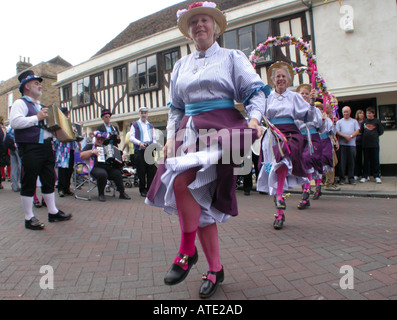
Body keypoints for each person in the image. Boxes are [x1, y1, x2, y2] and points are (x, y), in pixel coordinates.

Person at [145, 1, 269, 299]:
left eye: (204, 20)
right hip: (189, 131)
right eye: (194, 22)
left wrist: (253, 120)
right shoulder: (180, 65)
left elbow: (255, 92)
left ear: (215, 26)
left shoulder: (231, 57)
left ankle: (188, 251)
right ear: (188, 31)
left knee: (183, 183)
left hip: (222, 130)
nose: (199, 25)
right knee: (192, 197)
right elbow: (175, 107)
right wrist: (171, 137)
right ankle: (214, 268)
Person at [256, 62, 317, 229]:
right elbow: (259, 113)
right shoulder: (267, 98)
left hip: (290, 133)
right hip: (273, 134)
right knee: (275, 166)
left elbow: (307, 117)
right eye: (278, 76)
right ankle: (279, 213)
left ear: (288, 79)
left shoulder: (295, 97)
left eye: (284, 76)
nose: (281, 79)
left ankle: (279, 196)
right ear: (273, 80)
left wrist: (311, 104)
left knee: (283, 160)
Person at [9, 70, 72, 230]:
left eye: (39, 83)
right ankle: (29, 217)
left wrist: (64, 132)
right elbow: (15, 123)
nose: (39, 85)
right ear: (27, 86)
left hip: (45, 146)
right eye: (36, 83)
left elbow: (48, 127)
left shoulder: (41, 106)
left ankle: (53, 212)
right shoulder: (20, 103)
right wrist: (37, 117)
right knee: (29, 180)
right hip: (30, 147)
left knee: (49, 179)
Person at [80, 131, 131, 202]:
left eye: (102, 139)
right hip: (94, 167)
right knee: (102, 174)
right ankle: (101, 194)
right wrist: (92, 152)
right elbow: (81, 156)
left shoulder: (106, 147)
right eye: (98, 139)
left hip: (106, 167)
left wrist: (121, 157)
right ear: (95, 138)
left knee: (117, 173)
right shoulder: (90, 146)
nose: (100, 141)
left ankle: (122, 193)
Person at [295, 84, 322, 207]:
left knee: (308, 160)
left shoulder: (315, 109)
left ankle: (306, 190)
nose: (304, 95)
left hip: (312, 137)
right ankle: (305, 194)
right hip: (301, 138)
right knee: (302, 165)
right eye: (302, 93)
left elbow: (318, 124)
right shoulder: (295, 109)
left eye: (306, 93)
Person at [129, 107, 157, 197]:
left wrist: (154, 145)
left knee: (151, 171)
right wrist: (139, 143)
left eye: (145, 113)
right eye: (142, 113)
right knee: (141, 171)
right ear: (139, 114)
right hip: (140, 150)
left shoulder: (151, 125)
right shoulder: (135, 124)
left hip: (149, 149)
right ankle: (142, 190)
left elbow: (154, 138)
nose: (144, 114)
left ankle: (149, 189)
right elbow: (131, 137)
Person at [54, 107, 78, 197]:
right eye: (65, 113)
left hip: (70, 148)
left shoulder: (70, 124)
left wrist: (75, 133)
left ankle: (67, 188)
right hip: (62, 150)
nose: (67, 115)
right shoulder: (58, 125)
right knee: (62, 170)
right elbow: (57, 138)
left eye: (67, 113)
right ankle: (61, 189)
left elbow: (74, 137)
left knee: (69, 170)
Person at [335, 106, 360, 185]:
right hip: (342, 145)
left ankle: (351, 179)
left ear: (350, 112)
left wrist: (351, 137)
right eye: (344, 112)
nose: (346, 113)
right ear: (342, 112)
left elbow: (357, 131)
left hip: (352, 145)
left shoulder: (354, 121)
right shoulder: (339, 122)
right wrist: (345, 136)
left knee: (351, 162)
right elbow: (337, 131)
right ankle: (342, 179)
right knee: (342, 162)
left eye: (347, 111)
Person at [359, 106, 384, 183]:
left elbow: (381, 132)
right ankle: (365, 176)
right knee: (366, 161)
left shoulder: (377, 121)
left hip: (374, 145)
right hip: (365, 145)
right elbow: (361, 132)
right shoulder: (364, 122)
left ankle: (376, 176)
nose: (368, 115)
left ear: (373, 114)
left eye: (370, 113)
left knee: (375, 160)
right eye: (367, 113)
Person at [5, 126, 21, 192]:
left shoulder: (10, 127)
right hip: (18, 146)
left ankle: (14, 186)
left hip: (11, 146)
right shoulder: (18, 124)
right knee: (21, 165)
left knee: (14, 166)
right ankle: (23, 185)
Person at [354, 109, 365, 180]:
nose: (361, 114)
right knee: (357, 158)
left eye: (362, 113)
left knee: (365, 158)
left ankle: (365, 174)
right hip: (357, 142)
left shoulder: (365, 122)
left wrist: (359, 133)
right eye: (360, 113)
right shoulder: (355, 122)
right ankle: (357, 173)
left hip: (365, 142)